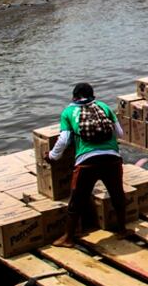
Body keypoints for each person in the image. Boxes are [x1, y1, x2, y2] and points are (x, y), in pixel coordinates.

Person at [46, 83, 127, 246]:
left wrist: (52, 156)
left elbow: (63, 140)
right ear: (93, 95)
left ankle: (68, 238)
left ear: (74, 97)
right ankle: (122, 230)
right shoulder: (104, 106)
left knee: (76, 200)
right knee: (117, 194)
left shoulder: (68, 112)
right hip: (112, 159)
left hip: (86, 162)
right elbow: (120, 133)